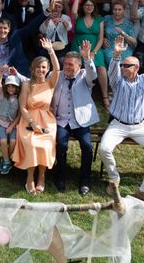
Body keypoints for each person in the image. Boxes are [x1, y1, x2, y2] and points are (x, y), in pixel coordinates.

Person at [99, 36, 144, 212]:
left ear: (136, 68)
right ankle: (114, 179)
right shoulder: (118, 81)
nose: (123, 67)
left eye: (127, 65)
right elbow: (113, 71)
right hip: (118, 125)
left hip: (139, 127)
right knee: (104, 148)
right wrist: (116, 55)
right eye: (122, 65)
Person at [50, 42, 100, 196]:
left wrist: (87, 58)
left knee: (87, 146)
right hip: (61, 120)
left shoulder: (85, 74)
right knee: (62, 145)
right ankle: (60, 177)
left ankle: (84, 180)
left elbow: (94, 76)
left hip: (80, 121)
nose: (67, 67)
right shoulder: (57, 75)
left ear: (79, 65)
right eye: (65, 63)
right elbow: (37, 79)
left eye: (71, 64)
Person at [12, 38, 60, 195]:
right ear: (33, 69)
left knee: (45, 145)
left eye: (44, 67)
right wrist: (32, 123)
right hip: (29, 119)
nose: (41, 70)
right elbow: (22, 107)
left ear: (47, 69)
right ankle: (30, 177)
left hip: (47, 120)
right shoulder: (26, 85)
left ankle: (42, 177)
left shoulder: (50, 83)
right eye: (38, 67)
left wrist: (50, 50)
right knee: (32, 144)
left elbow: (58, 70)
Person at [70, 0, 109, 106]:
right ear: (82, 6)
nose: (89, 7)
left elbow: (101, 39)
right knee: (77, 67)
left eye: (91, 5)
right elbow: (73, 12)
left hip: (95, 48)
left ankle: (105, 97)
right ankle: (77, 94)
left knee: (101, 68)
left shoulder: (99, 19)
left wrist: (93, 52)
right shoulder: (78, 18)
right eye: (86, 5)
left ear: (94, 6)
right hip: (79, 47)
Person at [0, 74, 21, 175]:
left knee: (13, 142)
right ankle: (7, 162)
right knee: (3, 141)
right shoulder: (2, 95)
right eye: (9, 86)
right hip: (1, 122)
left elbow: (19, 114)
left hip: (12, 123)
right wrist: (1, 72)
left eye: (13, 86)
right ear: (5, 87)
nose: (11, 88)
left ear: (17, 88)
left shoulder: (18, 99)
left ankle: (6, 158)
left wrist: (11, 126)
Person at [102, 0, 136, 66]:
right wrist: (103, 38)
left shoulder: (128, 23)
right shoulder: (107, 19)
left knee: (124, 62)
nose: (117, 12)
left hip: (124, 48)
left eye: (119, 10)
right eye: (115, 9)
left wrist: (123, 33)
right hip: (109, 47)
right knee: (111, 59)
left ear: (124, 11)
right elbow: (97, 30)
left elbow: (134, 42)